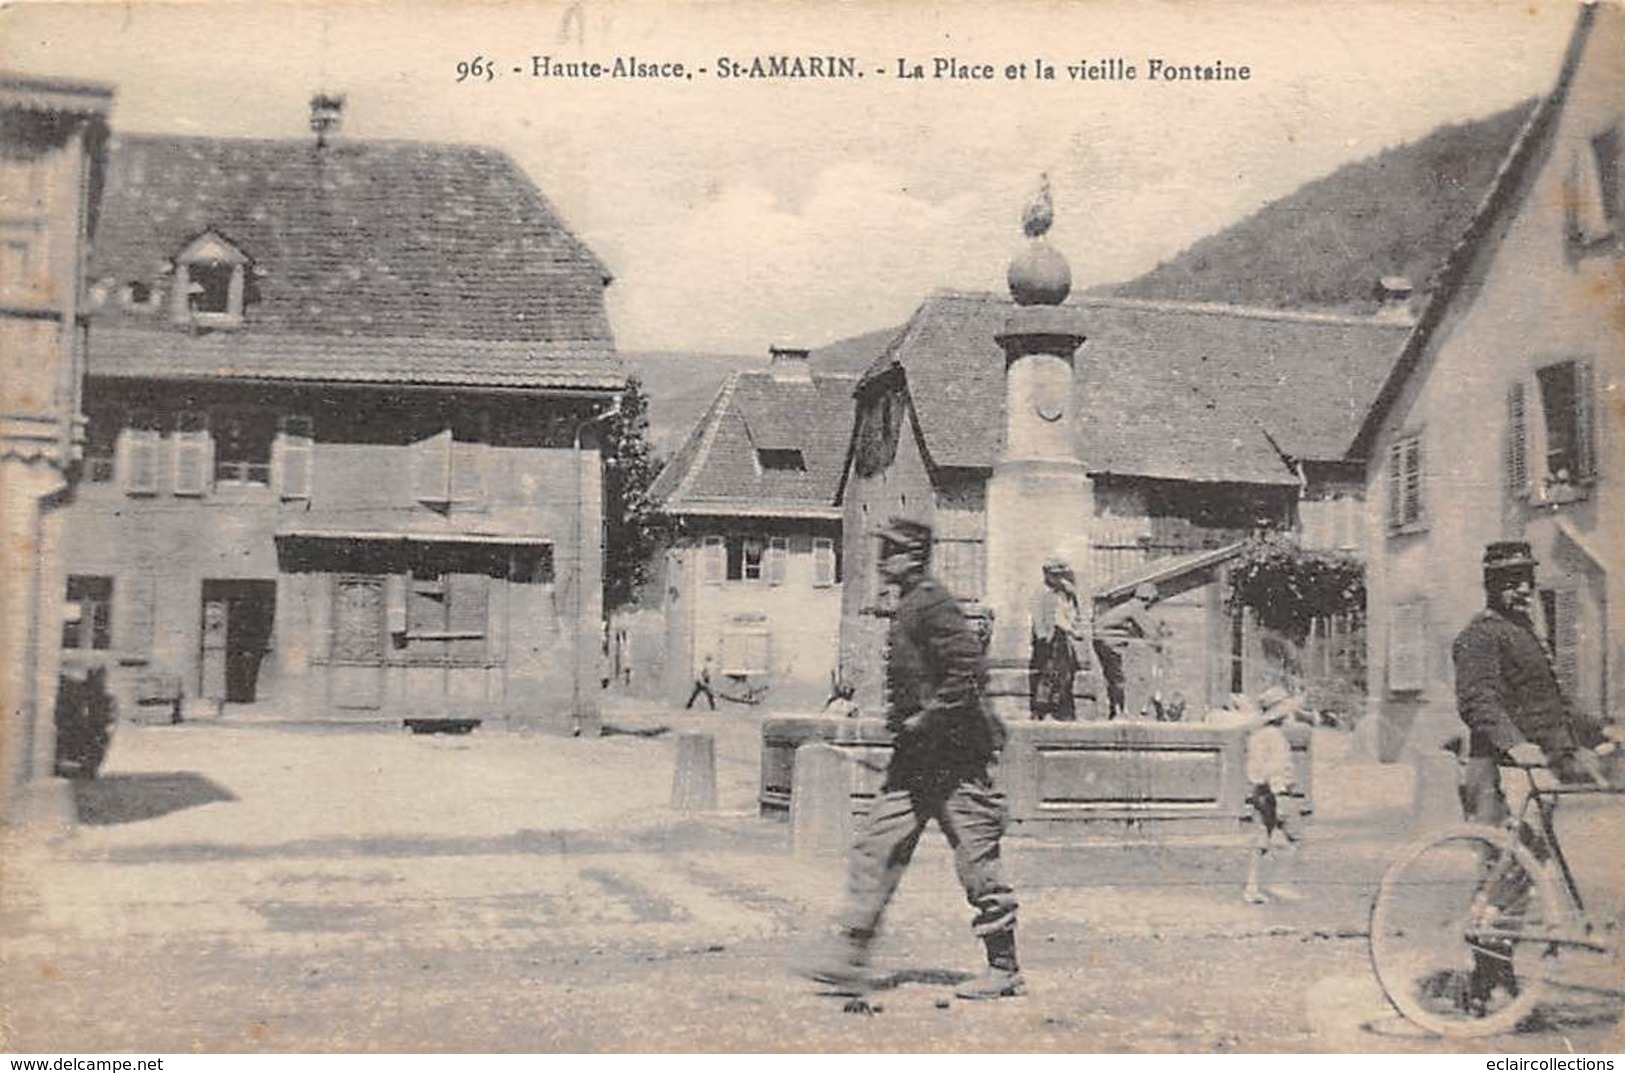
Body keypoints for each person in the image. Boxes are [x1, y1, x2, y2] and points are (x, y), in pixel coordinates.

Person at [799, 518, 1023, 1001]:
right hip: (915, 763)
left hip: (956, 760)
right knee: (875, 848)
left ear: (915, 556)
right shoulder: (907, 604)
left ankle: (1004, 967)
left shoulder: (934, 603)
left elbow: (968, 670)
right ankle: (850, 960)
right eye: (884, 549)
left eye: (894, 551)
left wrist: (927, 717)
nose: (884, 559)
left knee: (977, 862)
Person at [1450, 540, 1616, 1010]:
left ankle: (1498, 979)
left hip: (1532, 768)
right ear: (1492, 586)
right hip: (1498, 769)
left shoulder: (1521, 632)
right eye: (1510, 581)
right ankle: (1487, 981)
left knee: (1522, 877)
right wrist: (1513, 743)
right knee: (1503, 874)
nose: (1522, 588)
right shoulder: (1482, 635)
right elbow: (1477, 700)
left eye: (1526, 579)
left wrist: (1602, 732)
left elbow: (1553, 705)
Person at [1242, 685, 1304, 904]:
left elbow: (1256, 770)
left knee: (1261, 838)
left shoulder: (1258, 736)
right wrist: (1280, 797)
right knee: (1293, 836)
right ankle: (1281, 882)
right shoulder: (1275, 738)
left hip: (1260, 791)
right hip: (1276, 791)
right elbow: (1275, 769)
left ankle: (1252, 886)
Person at [1092, 582, 1160, 720]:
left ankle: (1115, 710)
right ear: (1148, 599)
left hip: (1102, 642)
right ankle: (1120, 711)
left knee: (1113, 677)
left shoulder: (1128, 606)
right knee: (1120, 678)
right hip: (1109, 643)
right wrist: (1159, 642)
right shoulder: (1136, 608)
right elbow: (1149, 630)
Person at [1030, 557, 1082, 721]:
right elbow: (1052, 618)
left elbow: (1071, 614)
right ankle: (1043, 711)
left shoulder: (1063, 593)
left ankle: (1057, 709)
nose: (1060, 578)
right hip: (1050, 639)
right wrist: (1071, 631)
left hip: (1060, 638)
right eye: (1056, 575)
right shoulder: (1044, 594)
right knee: (1049, 674)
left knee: (1063, 674)